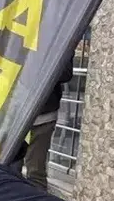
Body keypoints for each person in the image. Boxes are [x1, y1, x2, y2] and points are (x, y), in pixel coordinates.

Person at [21, 58, 76, 190]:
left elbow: (66, 74)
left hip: (43, 116)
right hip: (15, 115)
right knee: (9, 168)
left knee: (35, 170)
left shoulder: (56, 44)